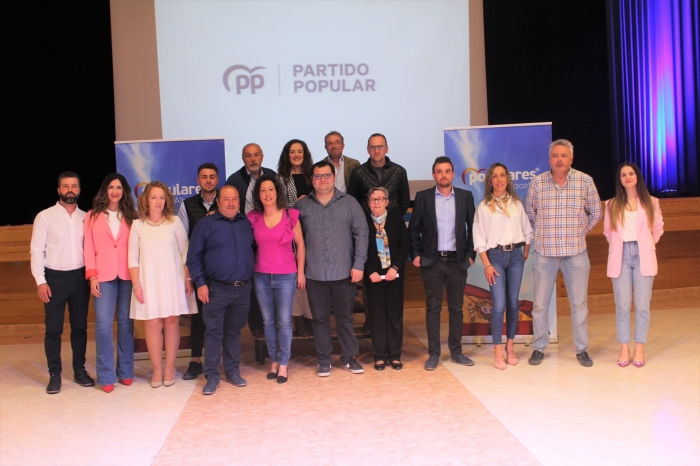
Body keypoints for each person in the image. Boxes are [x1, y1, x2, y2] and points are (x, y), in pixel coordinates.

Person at [525, 139, 602, 367]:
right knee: (540, 305)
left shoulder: (585, 181)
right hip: (545, 254)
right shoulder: (538, 182)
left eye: (563, 155)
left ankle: (582, 349)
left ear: (571, 159)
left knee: (579, 305)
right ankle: (539, 347)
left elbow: (596, 212)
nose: (559, 159)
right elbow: (529, 213)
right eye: (555, 155)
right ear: (550, 159)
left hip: (575, 254)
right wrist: (541, 233)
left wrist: (581, 231)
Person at [296, 161, 369, 376]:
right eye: (318, 176)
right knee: (319, 320)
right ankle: (324, 359)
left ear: (334, 177)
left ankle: (349, 357)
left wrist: (358, 265)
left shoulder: (350, 203)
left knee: (345, 318)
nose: (322, 180)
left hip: (344, 273)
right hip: (314, 274)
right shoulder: (302, 206)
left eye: (326, 175)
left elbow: (362, 234)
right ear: (312, 179)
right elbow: (294, 239)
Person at [186, 186, 255, 395]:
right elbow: (193, 258)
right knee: (214, 333)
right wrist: (201, 284)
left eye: (235, 199)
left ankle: (232, 371)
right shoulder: (205, 224)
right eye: (226, 199)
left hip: (242, 289)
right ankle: (212, 376)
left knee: (233, 332)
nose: (231, 203)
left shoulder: (246, 223)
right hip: (215, 289)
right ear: (218, 201)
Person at [409, 157, 476, 370]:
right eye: (439, 171)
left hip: (457, 261)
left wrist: (471, 254)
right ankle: (434, 354)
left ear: (453, 174)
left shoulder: (465, 197)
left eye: (447, 171)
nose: (443, 175)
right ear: (433, 175)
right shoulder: (423, 197)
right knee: (433, 308)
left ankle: (456, 352)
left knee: (456, 308)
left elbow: (473, 227)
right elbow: (414, 229)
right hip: (432, 261)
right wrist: (416, 253)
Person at [30, 171, 94, 394]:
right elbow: (36, 250)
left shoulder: (86, 217)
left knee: (80, 328)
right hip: (54, 279)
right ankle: (54, 375)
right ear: (58, 190)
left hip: (80, 278)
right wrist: (40, 281)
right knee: (53, 330)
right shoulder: (45, 217)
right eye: (65, 186)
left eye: (74, 186)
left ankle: (79, 371)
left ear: (79, 190)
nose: (70, 190)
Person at [128, 181, 196, 388]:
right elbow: (132, 257)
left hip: (172, 280)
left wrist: (188, 278)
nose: (158, 201)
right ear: (146, 201)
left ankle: (170, 367)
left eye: (161, 197)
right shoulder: (137, 225)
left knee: (171, 321)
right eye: (153, 197)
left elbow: (185, 252)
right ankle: (157, 369)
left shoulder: (174, 222)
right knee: (152, 324)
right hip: (148, 281)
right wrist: (136, 285)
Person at [472, 163, 533, 370]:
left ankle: (510, 347)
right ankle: (497, 349)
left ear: (508, 179)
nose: (499, 179)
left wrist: (525, 252)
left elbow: (527, 231)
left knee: (513, 303)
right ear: (490, 181)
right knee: (499, 304)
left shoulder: (516, 204)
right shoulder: (484, 207)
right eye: (495, 176)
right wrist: (487, 264)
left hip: (515, 256)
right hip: (495, 258)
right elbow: (479, 239)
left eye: (503, 175)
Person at [603, 162, 663, 368]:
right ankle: (624, 347)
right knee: (622, 306)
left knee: (642, 305)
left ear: (637, 176)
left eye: (630, 173)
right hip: (620, 256)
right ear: (619, 179)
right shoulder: (611, 204)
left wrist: (648, 244)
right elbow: (608, 232)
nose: (627, 177)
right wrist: (618, 246)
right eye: (623, 175)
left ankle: (639, 346)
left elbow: (658, 228)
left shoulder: (651, 202)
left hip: (643, 255)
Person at [247, 175, 306, 383]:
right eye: (263, 190)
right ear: (258, 194)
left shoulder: (290, 215)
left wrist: (300, 272)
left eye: (270, 189)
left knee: (284, 321)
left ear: (277, 192)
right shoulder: (253, 217)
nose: (267, 193)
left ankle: (283, 363)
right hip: (261, 275)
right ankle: (273, 360)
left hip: (286, 276)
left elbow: (300, 244)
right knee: (268, 321)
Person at [84, 173, 138, 392]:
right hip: (102, 276)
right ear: (105, 190)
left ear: (124, 191)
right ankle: (106, 376)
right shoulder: (92, 216)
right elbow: (88, 248)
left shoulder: (132, 216)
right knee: (104, 325)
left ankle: (125, 372)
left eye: (119, 188)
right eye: (111, 187)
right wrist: (92, 276)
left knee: (126, 324)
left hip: (127, 275)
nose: (115, 191)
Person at [225, 143, 276, 339]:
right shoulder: (234, 179)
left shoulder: (272, 176)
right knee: (253, 283)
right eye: (248, 155)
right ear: (243, 158)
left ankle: (274, 323)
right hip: (246, 238)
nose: (253, 159)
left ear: (262, 156)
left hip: (270, 235)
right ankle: (256, 325)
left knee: (272, 279)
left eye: (256, 155)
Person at [177, 163, 219, 380]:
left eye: (212, 176)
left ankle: (221, 361)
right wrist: (188, 274)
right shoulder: (187, 205)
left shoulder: (227, 201)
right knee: (198, 317)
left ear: (217, 180)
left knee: (221, 316)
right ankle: (195, 361)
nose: (208, 180)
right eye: (204, 177)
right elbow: (183, 241)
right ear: (198, 180)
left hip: (222, 269)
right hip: (199, 270)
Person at [363, 187, 410, 371]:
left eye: (380, 199)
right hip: (373, 277)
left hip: (394, 276)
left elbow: (405, 245)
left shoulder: (396, 218)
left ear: (387, 202)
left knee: (394, 315)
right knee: (376, 316)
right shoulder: (363, 221)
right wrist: (369, 271)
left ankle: (395, 355)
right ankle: (380, 356)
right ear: (368, 203)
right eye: (373, 199)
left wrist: (395, 267)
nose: (376, 202)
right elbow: (359, 248)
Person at [276, 139, 314, 337]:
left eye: (300, 151)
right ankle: (298, 319)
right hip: (290, 233)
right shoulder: (280, 179)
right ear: (287, 155)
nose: (296, 155)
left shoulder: (314, 175)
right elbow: (276, 206)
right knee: (295, 276)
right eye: (292, 151)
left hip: (313, 232)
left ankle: (310, 318)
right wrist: (295, 205)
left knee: (311, 277)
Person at [348, 133, 410, 216]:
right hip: (366, 222)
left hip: (393, 221)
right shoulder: (357, 173)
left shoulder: (399, 171)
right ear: (368, 150)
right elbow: (352, 201)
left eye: (380, 147)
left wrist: (395, 218)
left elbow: (405, 200)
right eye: (373, 147)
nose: (376, 151)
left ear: (386, 149)